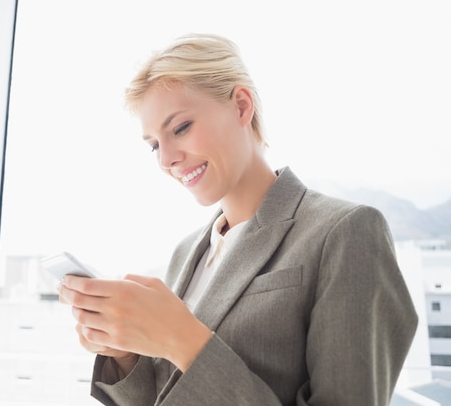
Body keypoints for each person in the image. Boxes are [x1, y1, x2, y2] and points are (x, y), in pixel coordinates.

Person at [58, 33, 418, 406]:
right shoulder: (187, 252)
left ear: (241, 107)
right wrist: (125, 354)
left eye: (180, 128)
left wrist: (180, 339)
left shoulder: (345, 231)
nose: (165, 159)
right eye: (153, 145)